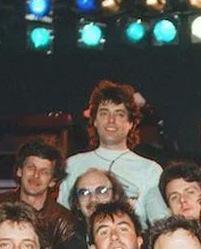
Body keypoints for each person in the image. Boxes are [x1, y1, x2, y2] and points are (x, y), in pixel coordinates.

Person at [60, 80, 168, 223]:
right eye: (104, 113)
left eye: (119, 114)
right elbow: (61, 220)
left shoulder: (150, 170)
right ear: (95, 121)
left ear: (131, 124)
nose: (111, 120)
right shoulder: (73, 165)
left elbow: (161, 223)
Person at [0, 141, 76, 249]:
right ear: (19, 171)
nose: (36, 175)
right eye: (30, 167)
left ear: (53, 181)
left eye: (44, 172)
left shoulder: (63, 220)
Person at [51, 167, 124, 249]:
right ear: (77, 204)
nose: (93, 199)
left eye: (101, 191)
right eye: (84, 193)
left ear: (115, 197)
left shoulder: (133, 239)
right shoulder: (66, 248)